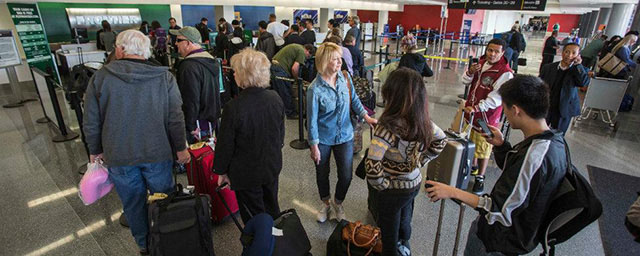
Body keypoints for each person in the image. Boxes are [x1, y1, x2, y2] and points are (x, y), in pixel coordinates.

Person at [426, 75, 568, 256]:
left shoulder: (535, 156)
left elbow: (498, 210)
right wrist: (501, 147)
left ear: (516, 110)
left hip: (499, 241)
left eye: (505, 108)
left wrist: (452, 191)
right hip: (517, 235)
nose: (504, 114)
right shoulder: (554, 140)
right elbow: (521, 177)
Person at [83, 29, 189, 255]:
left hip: (119, 155)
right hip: (158, 152)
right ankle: (169, 239)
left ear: (120, 50)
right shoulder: (164, 77)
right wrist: (180, 148)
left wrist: (94, 150)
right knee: (165, 200)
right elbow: (175, 117)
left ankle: (144, 245)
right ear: (146, 51)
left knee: (132, 204)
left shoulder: (100, 78)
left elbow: (91, 120)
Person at [366, 67, 446, 256]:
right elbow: (441, 140)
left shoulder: (387, 127)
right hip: (414, 181)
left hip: (392, 186)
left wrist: (382, 184)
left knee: (389, 221)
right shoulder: (424, 121)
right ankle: (405, 244)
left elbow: (372, 163)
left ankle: (391, 250)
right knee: (406, 213)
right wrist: (421, 161)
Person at [307, 42, 377, 223]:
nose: (340, 62)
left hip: (345, 135)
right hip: (323, 138)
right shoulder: (314, 89)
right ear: (324, 61)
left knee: (346, 175)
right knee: (322, 174)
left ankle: (338, 202)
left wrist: (367, 117)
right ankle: (326, 204)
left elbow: (354, 100)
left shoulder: (345, 78)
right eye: (335, 59)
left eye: (340, 58)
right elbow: (312, 119)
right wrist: (313, 146)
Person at [214, 48, 285, 223]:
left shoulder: (233, 107)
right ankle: (276, 241)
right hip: (271, 166)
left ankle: (259, 244)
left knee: (254, 216)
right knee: (272, 206)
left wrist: (221, 171)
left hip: (246, 173)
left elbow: (225, 145)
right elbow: (280, 135)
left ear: (243, 75)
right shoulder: (275, 98)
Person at [462, 38, 514, 194]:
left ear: (502, 53)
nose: (492, 54)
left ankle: (481, 177)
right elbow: (465, 81)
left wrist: (477, 108)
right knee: (470, 140)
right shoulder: (480, 64)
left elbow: (495, 99)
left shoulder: (505, 73)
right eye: (490, 50)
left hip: (486, 117)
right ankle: (474, 166)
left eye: (496, 51)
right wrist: (470, 72)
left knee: (484, 146)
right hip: (470, 113)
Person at [170, 26, 222, 144]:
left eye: (178, 40)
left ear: (188, 43)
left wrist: (191, 125)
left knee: (197, 157)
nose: (175, 44)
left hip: (197, 123)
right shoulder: (211, 61)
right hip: (210, 120)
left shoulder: (189, 66)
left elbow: (190, 98)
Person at [540, 43, 590, 134]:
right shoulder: (548, 67)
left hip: (564, 109)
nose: (569, 55)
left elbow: (583, 83)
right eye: (567, 52)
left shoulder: (579, 70)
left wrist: (578, 65)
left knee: (558, 135)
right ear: (562, 52)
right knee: (540, 133)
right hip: (547, 106)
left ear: (578, 56)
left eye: (573, 53)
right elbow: (539, 85)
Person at [271, 43, 316, 119]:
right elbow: (294, 68)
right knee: (286, 93)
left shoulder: (296, 47)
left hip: (274, 68)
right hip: (280, 70)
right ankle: (291, 113)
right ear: (308, 51)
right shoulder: (302, 52)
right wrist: (297, 80)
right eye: (308, 56)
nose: (306, 58)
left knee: (279, 94)